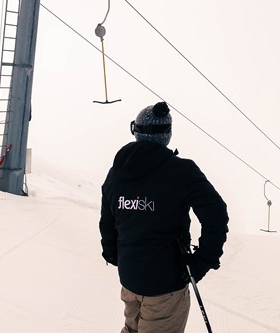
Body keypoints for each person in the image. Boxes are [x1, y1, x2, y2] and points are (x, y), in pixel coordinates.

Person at [99, 101, 229, 333]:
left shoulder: (117, 172)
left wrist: (115, 255)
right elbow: (216, 214)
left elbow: (107, 223)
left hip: (130, 280)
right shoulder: (181, 172)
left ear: (136, 132)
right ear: (167, 135)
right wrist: (201, 263)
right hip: (165, 286)